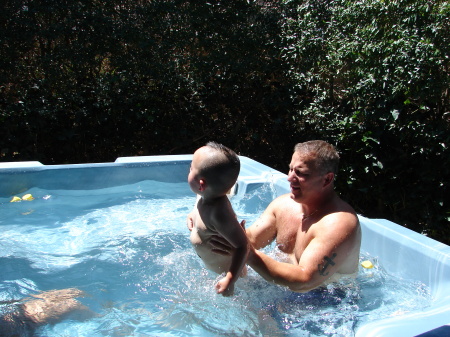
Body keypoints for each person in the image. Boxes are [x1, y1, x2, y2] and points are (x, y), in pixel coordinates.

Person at [211, 140, 361, 293]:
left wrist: (248, 254)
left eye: (301, 173)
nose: (289, 178)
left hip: (327, 299)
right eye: (290, 169)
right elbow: (250, 239)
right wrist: (208, 214)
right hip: (283, 289)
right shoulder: (284, 205)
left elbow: (305, 280)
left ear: (327, 179)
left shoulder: (338, 223)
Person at [187, 142, 249, 296]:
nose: (188, 171)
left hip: (231, 280)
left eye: (190, 168)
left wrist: (230, 279)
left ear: (201, 185)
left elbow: (243, 246)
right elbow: (198, 200)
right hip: (213, 271)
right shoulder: (206, 196)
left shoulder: (219, 213)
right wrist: (192, 213)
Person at [0, 288, 92, 336]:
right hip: (18, 323)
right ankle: (102, 319)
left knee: (73, 294)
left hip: (14, 318)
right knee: (72, 302)